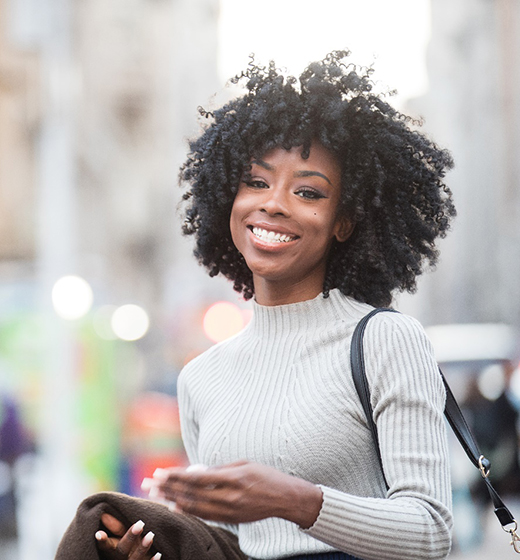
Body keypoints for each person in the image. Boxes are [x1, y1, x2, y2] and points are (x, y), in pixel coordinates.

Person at [92, 50, 456, 560]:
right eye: (257, 182)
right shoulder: (201, 378)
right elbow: (228, 547)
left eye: (308, 191)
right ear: (226, 198)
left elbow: (431, 532)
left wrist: (295, 501)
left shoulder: (384, 340)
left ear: (344, 222)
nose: (274, 203)